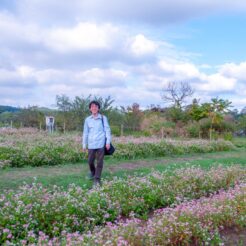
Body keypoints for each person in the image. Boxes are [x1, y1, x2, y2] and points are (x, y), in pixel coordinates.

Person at [82, 100, 111, 186]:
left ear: (98, 108)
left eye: (96, 106)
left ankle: (97, 179)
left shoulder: (103, 118)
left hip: (101, 144)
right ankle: (93, 172)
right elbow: (85, 133)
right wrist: (84, 144)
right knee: (90, 161)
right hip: (91, 144)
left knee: (99, 162)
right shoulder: (87, 120)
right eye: (92, 107)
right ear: (90, 109)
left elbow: (107, 130)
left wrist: (108, 142)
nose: (94, 108)